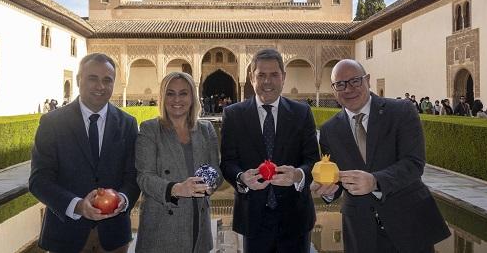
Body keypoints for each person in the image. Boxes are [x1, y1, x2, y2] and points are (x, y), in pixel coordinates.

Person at [311, 59, 449, 253]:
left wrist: (375, 181)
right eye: (340, 84)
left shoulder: (401, 111)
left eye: (355, 81)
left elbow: (414, 163)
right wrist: (327, 191)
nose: (348, 89)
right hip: (360, 231)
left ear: (367, 80)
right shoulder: (329, 130)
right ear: (334, 90)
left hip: (408, 222)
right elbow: (337, 179)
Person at [29, 53, 140, 253]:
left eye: (107, 80)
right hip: (66, 235)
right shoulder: (52, 123)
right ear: (79, 79)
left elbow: (133, 176)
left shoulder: (128, 124)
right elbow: (39, 180)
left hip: (114, 237)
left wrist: (123, 199)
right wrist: (78, 205)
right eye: (92, 78)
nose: (100, 86)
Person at [220, 49, 319, 253]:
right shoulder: (233, 115)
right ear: (251, 77)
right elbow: (228, 162)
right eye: (261, 75)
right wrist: (242, 178)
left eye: (274, 74)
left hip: (295, 217)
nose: (268, 81)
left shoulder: (302, 113)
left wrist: (298, 175)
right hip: (254, 218)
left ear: (283, 77)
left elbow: (312, 161)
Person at [135, 72, 222, 252]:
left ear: (192, 97)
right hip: (162, 226)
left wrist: (209, 184)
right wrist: (177, 189)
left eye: (183, 93)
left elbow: (216, 171)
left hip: (198, 223)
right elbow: (144, 177)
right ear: (162, 97)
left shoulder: (206, 130)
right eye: (170, 93)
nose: (177, 99)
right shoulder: (150, 129)